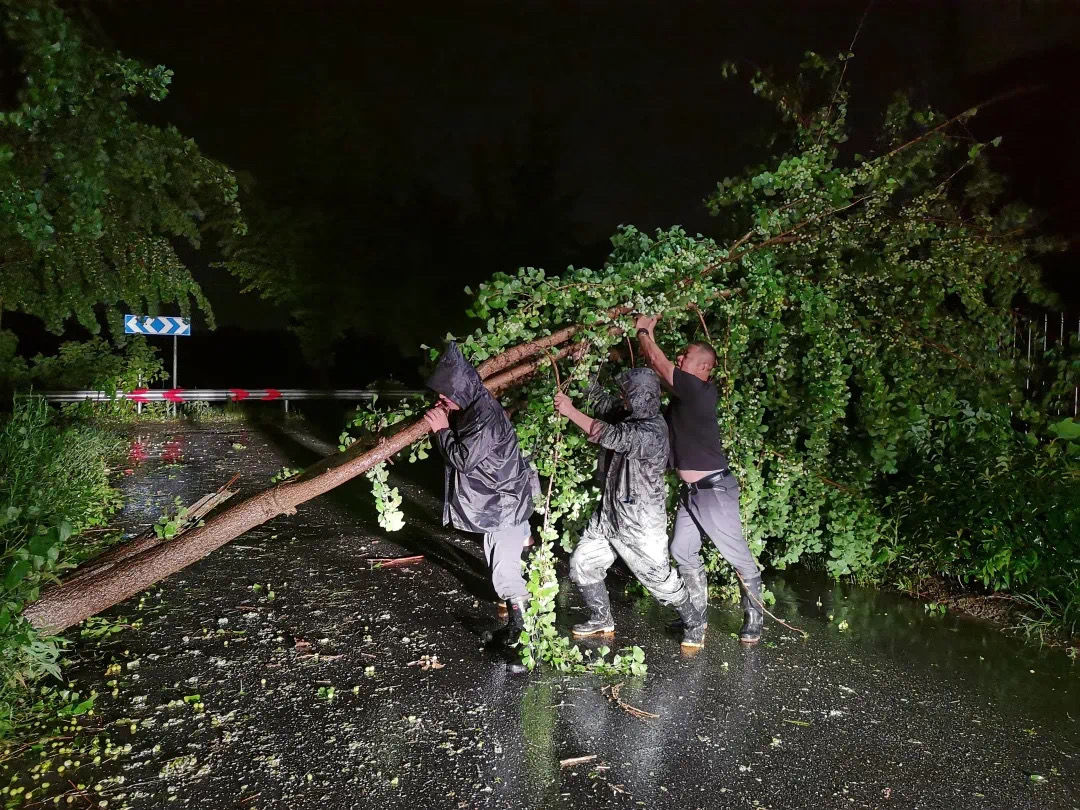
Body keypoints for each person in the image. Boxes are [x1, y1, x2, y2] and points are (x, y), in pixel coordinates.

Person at [554, 367, 706, 648]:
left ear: (641, 397)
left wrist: (569, 410)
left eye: (627, 395)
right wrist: (582, 370)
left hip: (640, 522)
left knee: (659, 580)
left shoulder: (651, 432)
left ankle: (695, 623)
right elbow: (602, 402)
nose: (623, 400)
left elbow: (608, 435)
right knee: (583, 563)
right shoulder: (632, 415)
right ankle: (601, 619)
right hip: (611, 514)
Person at [635, 315, 764, 645]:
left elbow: (656, 361)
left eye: (685, 355)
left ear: (704, 366)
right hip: (692, 491)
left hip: (714, 492)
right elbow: (655, 374)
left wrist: (643, 330)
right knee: (682, 551)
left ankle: (754, 619)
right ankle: (697, 617)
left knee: (738, 556)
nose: (679, 358)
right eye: (679, 355)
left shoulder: (697, 390)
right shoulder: (685, 396)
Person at [423, 342, 538, 666]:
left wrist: (441, 430)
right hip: (501, 503)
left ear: (460, 389)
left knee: (504, 575)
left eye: (445, 395)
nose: (441, 401)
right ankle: (518, 629)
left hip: (503, 506)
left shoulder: (484, 417)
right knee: (500, 565)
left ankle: (526, 640)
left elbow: (462, 458)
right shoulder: (474, 405)